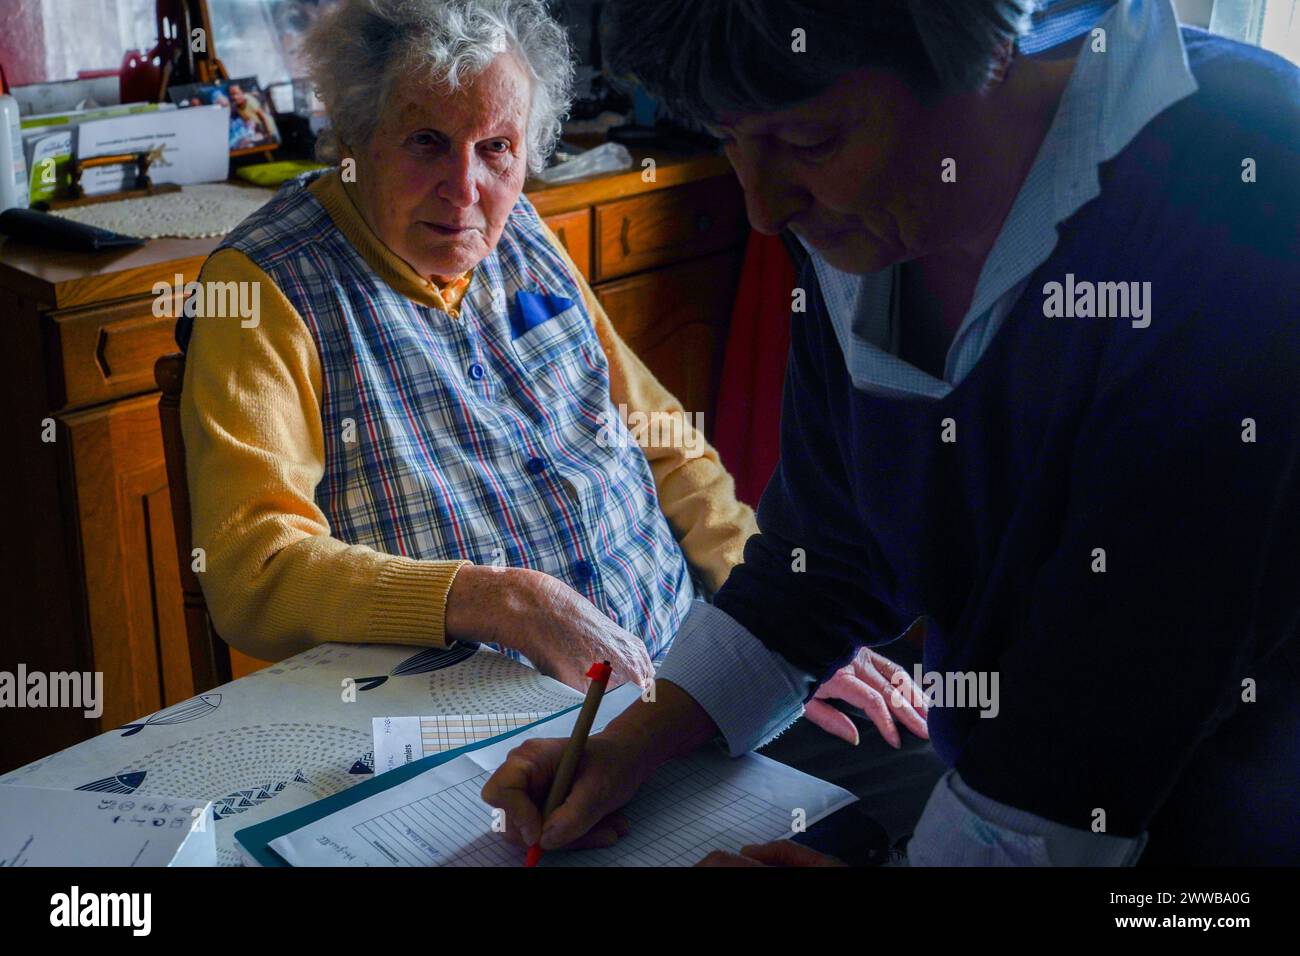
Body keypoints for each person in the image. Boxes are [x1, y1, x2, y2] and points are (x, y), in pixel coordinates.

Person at [483, 0, 1300, 865]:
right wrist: (630, 740)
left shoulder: (1249, 178)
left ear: (986, 55)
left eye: (810, 143)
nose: (763, 208)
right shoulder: (862, 211)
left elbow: (1113, 685)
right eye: (730, 138)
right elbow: (828, 553)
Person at [177, 0, 927, 748]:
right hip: (490, 735)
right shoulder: (266, 287)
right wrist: (497, 600)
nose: (465, 188)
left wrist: (773, 631)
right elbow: (254, 572)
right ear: (357, 136)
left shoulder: (521, 232)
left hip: (688, 677)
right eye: (428, 142)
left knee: (907, 778)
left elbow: (664, 439)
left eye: (496, 147)